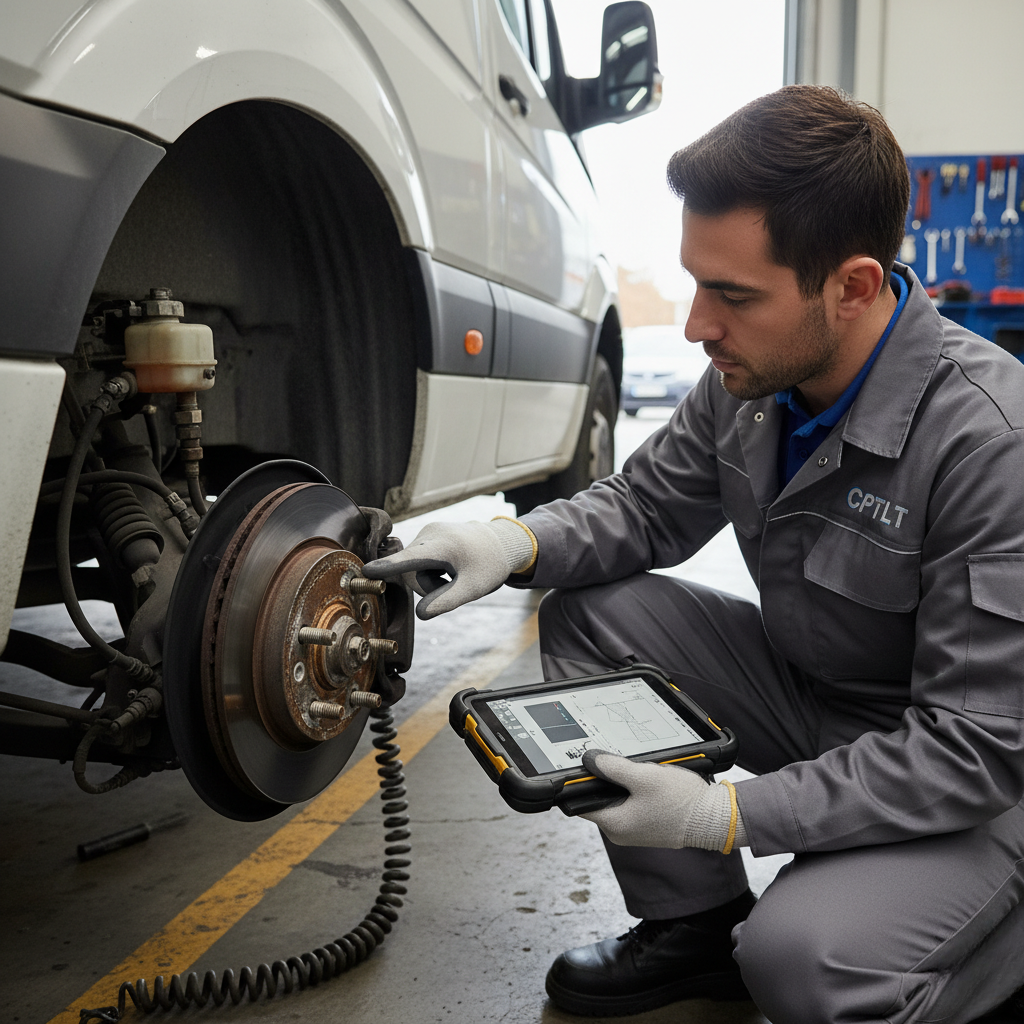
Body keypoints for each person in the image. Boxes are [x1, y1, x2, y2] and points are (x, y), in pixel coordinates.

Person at [363, 85, 1024, 1024]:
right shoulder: (752, 379)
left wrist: (731, 817)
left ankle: (992, 940)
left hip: (978, 778)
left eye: (734, 294)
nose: (696, 325)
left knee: (803, 962)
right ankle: (693, 932)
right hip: (822, 702)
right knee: (594, 610)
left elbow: (976, 748)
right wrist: (507, 542)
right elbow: (641, 507)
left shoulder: (991, 443)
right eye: (696, 282)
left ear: (854, 285)